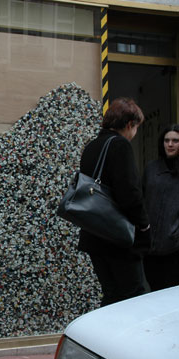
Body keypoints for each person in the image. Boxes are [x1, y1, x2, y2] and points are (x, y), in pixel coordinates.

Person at [77, 97, 150, 307]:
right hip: (118, 237)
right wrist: (144, 225)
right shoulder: (119, 145)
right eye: (136, 127)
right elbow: (129, 194)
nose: (134, 133)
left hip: (94, 235)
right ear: (129, 124)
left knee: (110, 295)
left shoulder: (92, 146)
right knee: (132, 296)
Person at [142, 124, 179, 291]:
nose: (170, 144)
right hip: (151, 248)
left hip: (174, 249)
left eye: (175, 141)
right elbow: (141, 200)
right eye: (166, 140)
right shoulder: (151, 169)